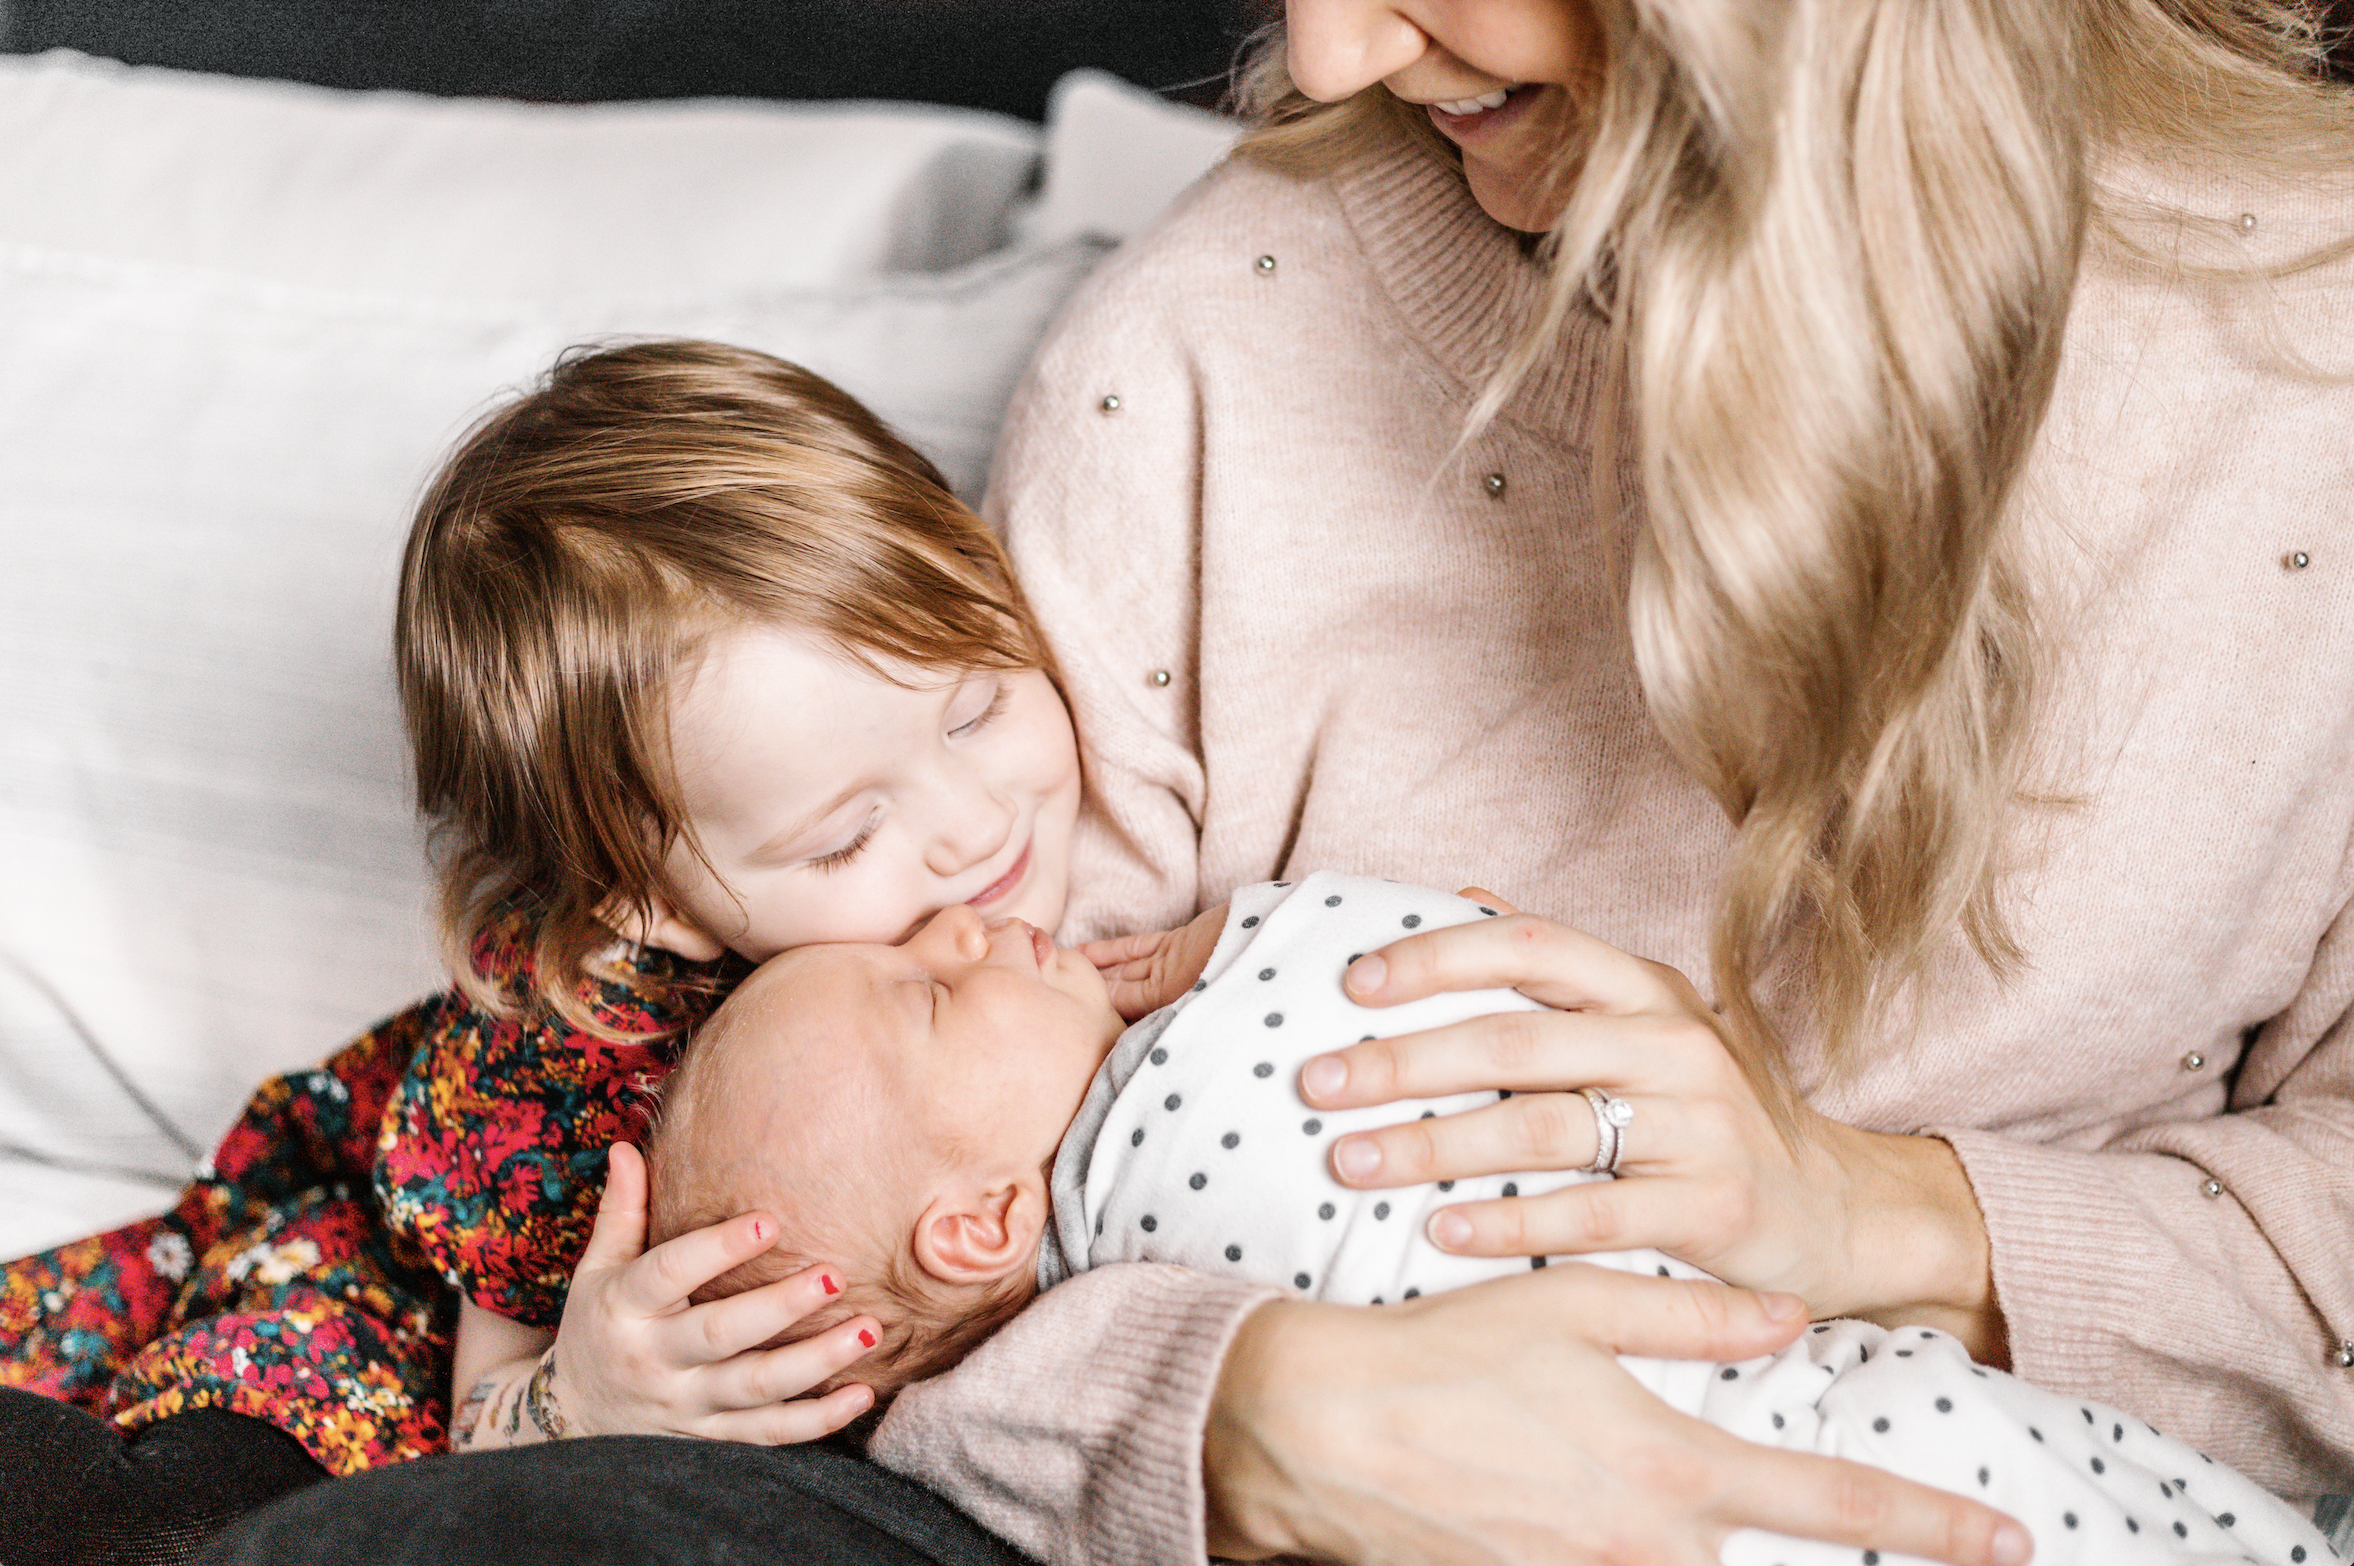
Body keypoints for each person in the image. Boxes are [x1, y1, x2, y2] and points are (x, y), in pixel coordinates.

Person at [212, 0, 2354, 1561]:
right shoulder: (1209, 340)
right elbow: (946, 1202)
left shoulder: (2304, 396)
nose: (1324, 59)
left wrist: (1881, 1212)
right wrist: (1230, 1419)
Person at [0, 339, 1086, 1555]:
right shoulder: (576, 1048)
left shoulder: (1119, 840)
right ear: (648, 901)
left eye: (980, 704)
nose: (976, 823)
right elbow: (479, 1400)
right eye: (846, 837)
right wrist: (579, 1398)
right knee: (173, 1512)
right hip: (365, 1337)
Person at [641, 873, 2334, 1566]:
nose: (963, 914)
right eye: (928, 995)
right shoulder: (1166, 1119)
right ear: (971, 1231)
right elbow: (1381, 964)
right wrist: (1266, 926)